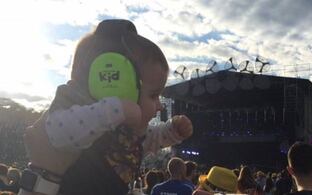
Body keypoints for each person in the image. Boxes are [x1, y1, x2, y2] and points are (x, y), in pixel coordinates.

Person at [19, 19, 193, 195]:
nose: (159, 106)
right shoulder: (77, 104)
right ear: (116, 84)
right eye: (153, 95)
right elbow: (57, 133)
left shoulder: (127, 131)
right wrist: (115, 110)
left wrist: (171, 131)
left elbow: (150, 139)